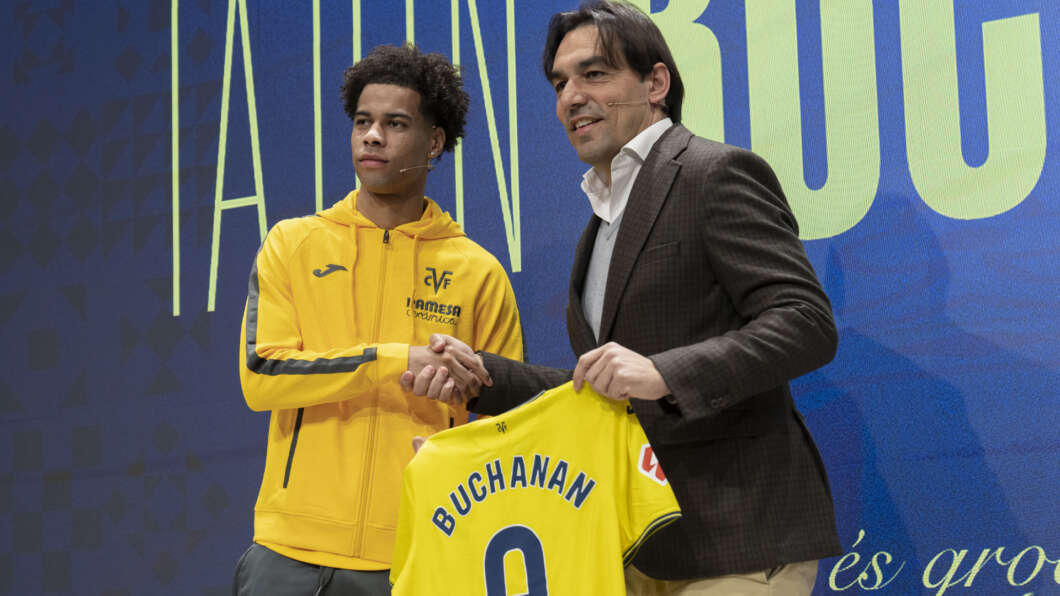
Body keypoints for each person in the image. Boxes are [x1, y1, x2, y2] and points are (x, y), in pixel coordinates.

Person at [404, 2, 841, 593]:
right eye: (560, 83)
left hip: (737, 536)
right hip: (636, 547)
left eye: (594, 74)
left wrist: (663, 373)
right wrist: (483, 378)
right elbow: (604, 387)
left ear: (656, 84)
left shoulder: (715, 172)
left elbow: (805, 322)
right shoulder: (601, 222)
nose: (571, 97)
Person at [233, 43, 523, 596]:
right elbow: (262, 375)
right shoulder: (292, 244)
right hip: (287, 551)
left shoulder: (478, 273)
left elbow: (505, 423)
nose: (372, 136)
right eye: (362, 121)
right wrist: (395, 360)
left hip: (416, 551)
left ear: (434, 142)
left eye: (395, 123)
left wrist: (461, 402)